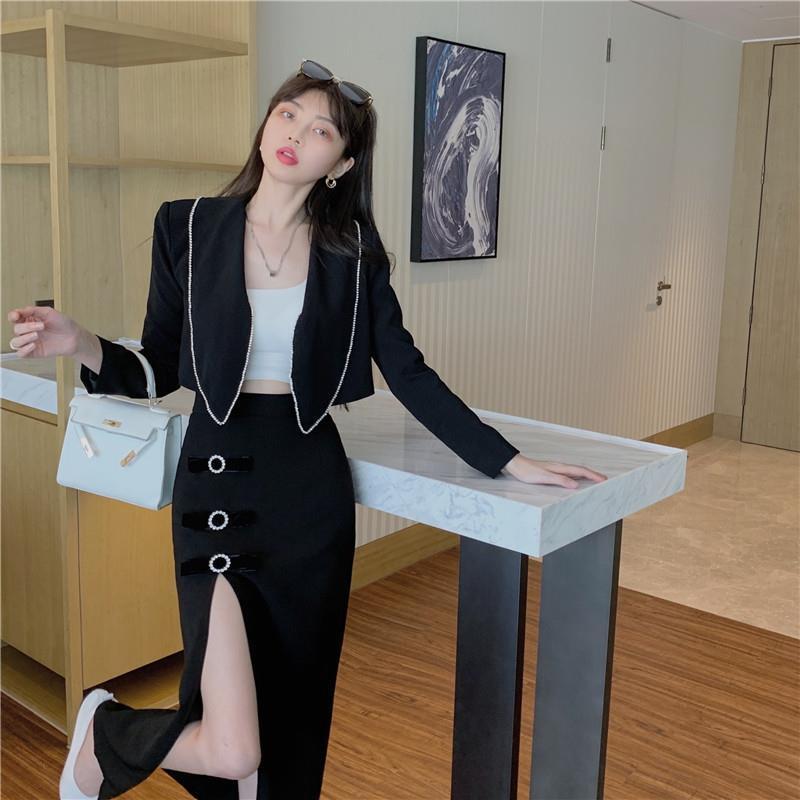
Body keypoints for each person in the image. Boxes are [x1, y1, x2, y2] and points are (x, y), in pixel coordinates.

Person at [7, 60, 606, 800]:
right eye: (288, 113)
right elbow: (158, 365)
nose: (296, 132)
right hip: (217, 484)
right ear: (268, 123)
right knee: (233, 747)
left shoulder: (351, 252)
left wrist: (509, 461)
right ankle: (106, 733)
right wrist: (79, 343)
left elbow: (408, 371)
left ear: (341, 163)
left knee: (293, 720)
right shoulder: (188, 225)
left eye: (322, 129)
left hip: (309, 493)